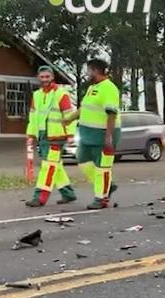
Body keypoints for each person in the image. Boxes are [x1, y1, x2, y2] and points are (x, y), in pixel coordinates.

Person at [62, 59, 120, 209]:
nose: (87, 74)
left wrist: (108, 137)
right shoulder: (92, 88)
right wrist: (69, 118)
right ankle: (108, 186)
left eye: (88, 70)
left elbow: (111, 114)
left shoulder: (109, 88)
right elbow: (85, 108)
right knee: (82, 160)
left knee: (103, 168)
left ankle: (101, 199)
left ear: (95, 70)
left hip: (103, 134)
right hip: (87, 134)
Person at [24, 66, 77, 207]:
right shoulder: (36, 95)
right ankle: (68, 193)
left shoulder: (61, 94)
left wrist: (70, 134)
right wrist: (30, 134)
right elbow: (33, 117)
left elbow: (69, 115)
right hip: (42, 136)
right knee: (55, 165)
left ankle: (39, 197)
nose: (45, 79)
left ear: (52, 77)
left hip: (56, 136)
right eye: (42, 77)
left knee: (48, 167)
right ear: (38, 77)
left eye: (47, 77)